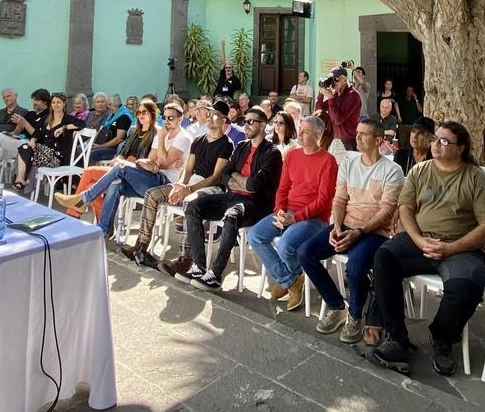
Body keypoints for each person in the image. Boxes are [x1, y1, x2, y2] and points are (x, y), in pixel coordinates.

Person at [366, 121, 485, 377]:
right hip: (420, 240)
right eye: (435, 138)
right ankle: (397, 336)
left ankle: (442, 338)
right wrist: (417, 239)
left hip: (462, 247)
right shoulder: (421, 171)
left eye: (444, 141)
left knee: (466, 285)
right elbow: (405, 208)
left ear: (460, 148)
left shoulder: (477, 179)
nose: (436, 144)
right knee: (384, 257)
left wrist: (450, 248)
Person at [300, 119, 404, 343]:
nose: (357, 137)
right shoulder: (349, 163)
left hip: (375, 231)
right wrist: (337, 226)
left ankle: (355, 315)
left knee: (355, 268)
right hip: (345, 223)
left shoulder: (392, 170)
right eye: (357, 133)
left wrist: (359, 232)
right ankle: (336, 305)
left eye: (363, 134)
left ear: (378, 140)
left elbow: (386, 211)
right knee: (305, 253)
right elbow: (339, 200)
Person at [162, 107, 283, 288]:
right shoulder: (241, 146)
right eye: (245, 121)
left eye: (251, 121)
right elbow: (225, 176)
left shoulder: (272, 153)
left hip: (257, 204)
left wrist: (237, 179)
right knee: (193, 206)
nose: (246, 125)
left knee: (232, 215)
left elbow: (255, 185)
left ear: (263, 125)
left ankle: (216, 274)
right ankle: (199, 267)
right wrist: (240, 182)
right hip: (233, 196)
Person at [121, 100, 235, 268]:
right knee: (152, 195)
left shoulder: (227, 144)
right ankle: (141, 246)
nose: (210, 118)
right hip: (191, 183)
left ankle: (184, 259)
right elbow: (188, 170)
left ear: (225, 120)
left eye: (216, 115)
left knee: (191, 203)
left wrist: (188, 189)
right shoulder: (198, 141)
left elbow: (215, 177)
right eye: (209, 113)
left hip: (210, 189)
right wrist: (179, 185)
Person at [55, 100, 190, 238]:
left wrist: (161, 142)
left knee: (119, 168)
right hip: (147, 175)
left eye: (171, 118)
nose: (167, 121)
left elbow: (162, 163)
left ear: (181, 119)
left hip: (164, 184)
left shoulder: (180, 137)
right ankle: (104, 230)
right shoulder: (137, 131)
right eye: (165, 117)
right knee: (115, 184)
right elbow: (153, 162)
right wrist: (157, 161)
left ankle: (82, 200)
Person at [246, 116, 339, 312]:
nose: (300, 135)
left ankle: (290, 279)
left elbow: (323, 201)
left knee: (286, 244)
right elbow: (283, 188)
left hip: (314, 219)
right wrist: (279, 210)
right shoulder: (292, 155)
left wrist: (294, 218)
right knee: (255, 235)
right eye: (300, 130)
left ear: (317, 135)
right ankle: (291, 280)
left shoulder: (328, 161)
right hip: (287, 212)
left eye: (306, 132)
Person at [13, 93, 85, 192]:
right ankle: (20, 180)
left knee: (25, 150)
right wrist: (33, 140)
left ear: (64, 104)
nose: (56, 105)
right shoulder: (46, 119)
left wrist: (65, 127)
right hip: (43, 154)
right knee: (26, 147)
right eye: (54, 102)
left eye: (58, 102)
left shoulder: (68, 119)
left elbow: (82, 124)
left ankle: (20, 180)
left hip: (57, 157)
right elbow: (37, 133)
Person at [316, 66, 361, 150]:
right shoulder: (335, 95)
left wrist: (330, 98)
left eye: (336, 79)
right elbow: (319, 112)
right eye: (331, 79)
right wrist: (321, 93)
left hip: (348, 140)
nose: (333, 83)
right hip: (334, 138)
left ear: (344, 80)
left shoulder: (353, 95)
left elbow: (338, 120)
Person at [88, 94, 133, 163]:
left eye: (108, 105)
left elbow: (118, 139)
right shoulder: (113, 115)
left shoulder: (123, 117)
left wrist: (100, 146)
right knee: (85, 151)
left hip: (116, 149)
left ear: (111, 105)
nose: (107, 107)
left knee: (91, 154)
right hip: (106, 145)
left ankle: (93, 173)